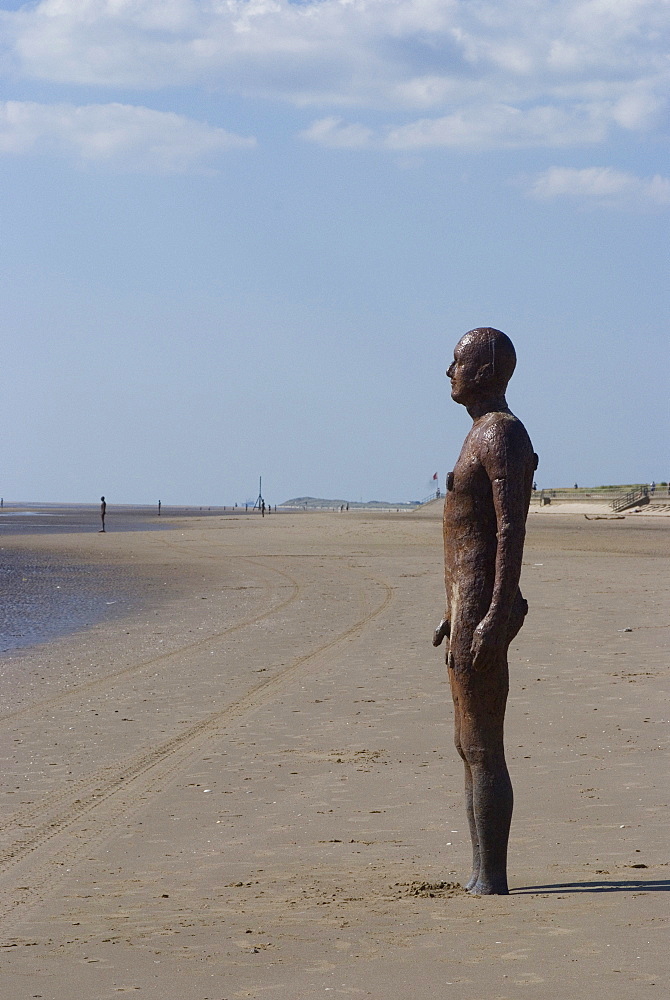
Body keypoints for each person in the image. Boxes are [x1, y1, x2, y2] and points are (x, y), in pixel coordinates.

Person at [433, 328, 537, 895]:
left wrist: (497, 612)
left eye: (457, 361)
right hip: (466, 607)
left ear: (486, 369)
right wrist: (453, 610)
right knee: (467, 744)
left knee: (482, 744)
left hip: (483, 610)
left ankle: (490, 877)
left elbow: (509, 528)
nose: (447, 372)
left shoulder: (501, 434)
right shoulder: (479, 434)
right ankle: (480, 872)